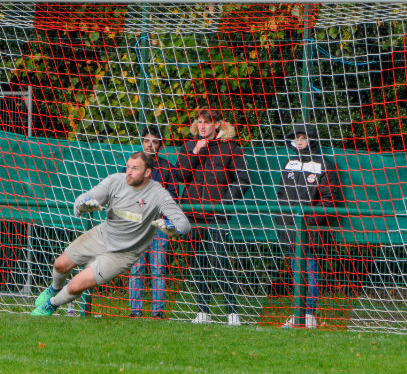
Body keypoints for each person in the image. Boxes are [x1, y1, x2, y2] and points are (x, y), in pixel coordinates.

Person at [31, 152, 191, 316]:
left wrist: (175, 229)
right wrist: (82, 205)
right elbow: (86, 197)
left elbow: (183, 223)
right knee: (60, 264)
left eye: (135, 168)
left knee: (75, 286)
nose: (129, 172)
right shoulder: (115, 181)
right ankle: (54, 289)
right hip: (101, 235)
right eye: (128, 167)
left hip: (124, 253)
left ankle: (51, 305)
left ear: (147, 172)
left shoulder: (158, 193)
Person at [174, 108, 250, 326]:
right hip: (192, 213)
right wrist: (195, 152)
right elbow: (180, 175)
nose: (202, 126)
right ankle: (202, 311)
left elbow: (243, 179)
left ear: (216, 124)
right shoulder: (189, 146)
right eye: (199, 122)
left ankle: (232, 312)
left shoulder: (231, 148)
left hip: (217, 215)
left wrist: (224, 201)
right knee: (198, 264)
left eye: (206, 122)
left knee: (221, 262)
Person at [275, 124, 342, 329]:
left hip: (311, 229)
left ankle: (309, 315)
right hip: (290, 228)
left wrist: (309, 220)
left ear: (311, 139)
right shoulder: (289, 163)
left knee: (310, 270)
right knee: (297, 271)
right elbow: (281, 193)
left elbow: (330, 199)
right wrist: (285, 218)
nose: (300, 141)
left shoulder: (323, 164)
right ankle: (298, 314)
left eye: (303, 137)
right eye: (297, 138)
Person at [127, 126, 179, 319]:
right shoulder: (131, 165)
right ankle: (135, 311)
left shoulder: (167, 168)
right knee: (136, 268)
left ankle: (158, 311)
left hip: (159, 225)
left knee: (158, 269)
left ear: (160, 145)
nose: (150, 145)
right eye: (146, 140)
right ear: (142, 143)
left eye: (155, 141)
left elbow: (173, 196)